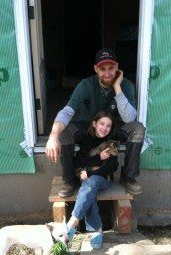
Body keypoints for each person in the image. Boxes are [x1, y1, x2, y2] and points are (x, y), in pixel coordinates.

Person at [46, 48, 145, 197]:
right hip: (88, 128)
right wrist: (53, 136)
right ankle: (69, 180)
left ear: (117, 67)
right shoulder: (86, 85)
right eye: (102, 69)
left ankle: (128, 177)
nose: (107, 73)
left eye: (111, 68)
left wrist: (117, 87)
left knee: (138, 128)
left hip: (113, 128)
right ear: (96, 69)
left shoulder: (126, 85)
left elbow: (129, 119)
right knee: (64, 131)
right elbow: (67, 111)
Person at [66, 111, 118, 249]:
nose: (104, 128)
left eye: (108, 126)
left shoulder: (110, 143)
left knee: (92, 182)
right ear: (94, 124)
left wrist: (89, 172)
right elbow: (78, 161)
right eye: (102, 124)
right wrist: (98, 158)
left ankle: (73, 221)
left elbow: (112, 166)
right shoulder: (86, 140)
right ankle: (97, 230)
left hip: (103, 179)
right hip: (86, 180)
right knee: (89, 191)